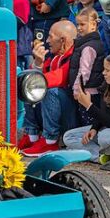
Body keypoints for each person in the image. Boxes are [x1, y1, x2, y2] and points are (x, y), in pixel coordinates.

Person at [20, 19, 79, 155]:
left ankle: (50, 142)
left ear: (63, 40)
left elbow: (58, 79)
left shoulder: (75, 55)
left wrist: (32, 80)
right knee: (27, 84)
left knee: (46, 89)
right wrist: (38, 63)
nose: (47, 41)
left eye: (51, 36)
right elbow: (39, 77)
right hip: (54, 112)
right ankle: (32, 135)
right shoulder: (54, 56)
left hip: (71, 117)